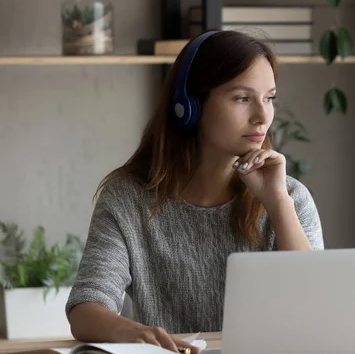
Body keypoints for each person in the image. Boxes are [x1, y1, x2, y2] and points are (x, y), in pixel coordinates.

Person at [65, 30, 325, 353]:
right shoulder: (127, 199)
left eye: (269, 98)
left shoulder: (289, 197)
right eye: (243, 98)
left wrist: (278, 204)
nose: (263, 116)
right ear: (188, 106)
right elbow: (85, 310)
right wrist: (134, 333)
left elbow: (316, 311)